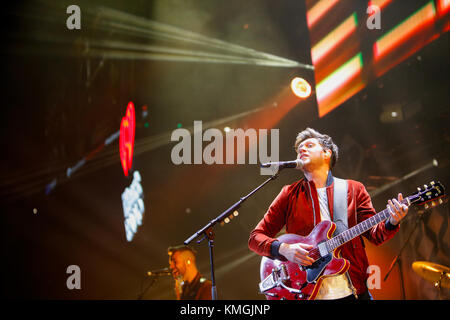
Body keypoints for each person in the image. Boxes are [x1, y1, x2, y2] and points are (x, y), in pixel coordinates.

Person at [248, 128, 409, 300]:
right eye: (299, 149)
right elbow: (255, 238)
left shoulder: (353, 189)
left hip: (352, 290)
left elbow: (376, 235)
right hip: (306, 292)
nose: (302, 150)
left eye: (309, 145)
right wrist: (284, 249)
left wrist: (392, 221)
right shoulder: (289, 194)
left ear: (326, 153)